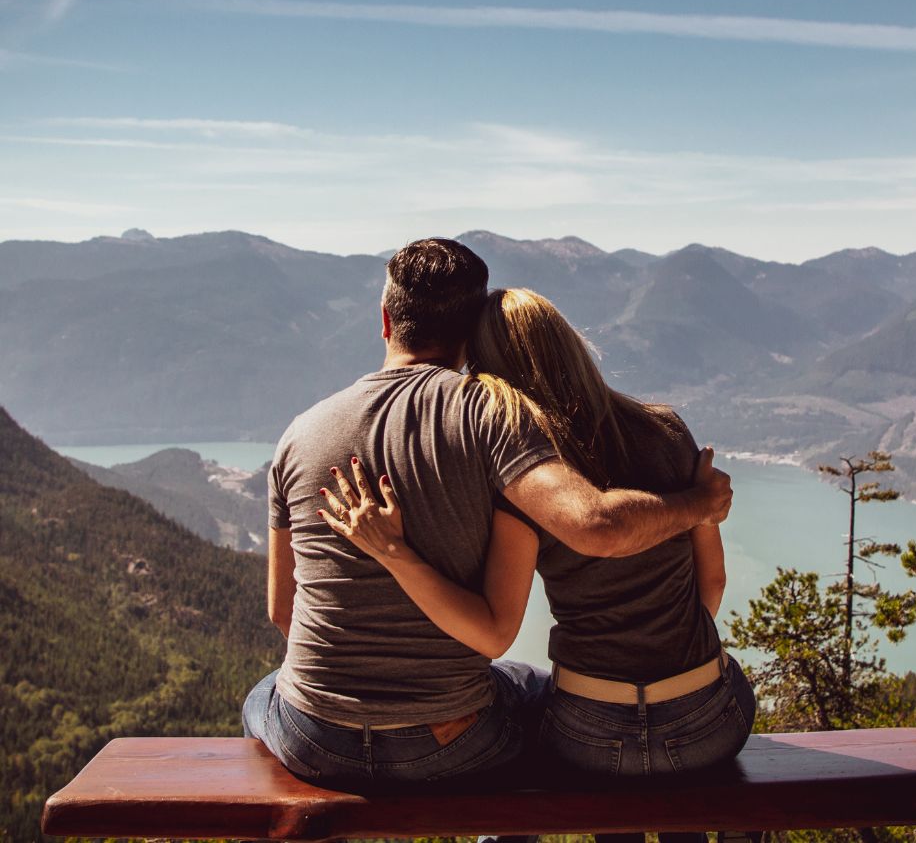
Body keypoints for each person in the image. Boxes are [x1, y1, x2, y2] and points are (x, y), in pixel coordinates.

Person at [245, 241, 734, 792]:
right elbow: (592, 534)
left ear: (385, 320)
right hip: (450, 740)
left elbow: (284, 613)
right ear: (471, 330)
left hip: (315, 737)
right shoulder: (493, 417)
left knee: (262, 695)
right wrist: (700, 505)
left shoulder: (298, 434)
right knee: (527, 689)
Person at [320, 286, 754, 840]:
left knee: (526, 708)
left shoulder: (528, 481)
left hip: (591, 727)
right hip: (705, 721)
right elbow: (710, 587)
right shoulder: (667, 431)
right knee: (709, 713)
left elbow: (498, 621)